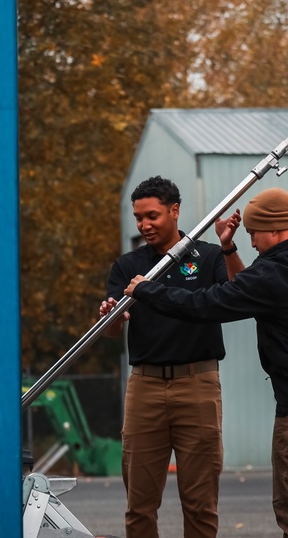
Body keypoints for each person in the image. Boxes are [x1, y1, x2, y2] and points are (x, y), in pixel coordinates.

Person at [123, 91, 288, 538]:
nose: (249, 241)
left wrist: (147, 290)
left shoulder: (270, 276)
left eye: (251, 234)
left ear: (272, 230)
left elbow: (206, 304)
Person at [98, 176, 245, 538]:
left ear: (174, 211)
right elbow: (114, 330)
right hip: (145, 388)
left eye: (152, 216)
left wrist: (228, 247)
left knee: (200, 503)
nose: (144, 225)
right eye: (138, 218)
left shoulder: (208, 255)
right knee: (140, 505)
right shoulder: (128, 265)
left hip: (198, 385)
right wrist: (109, 317)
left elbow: (241, 295)